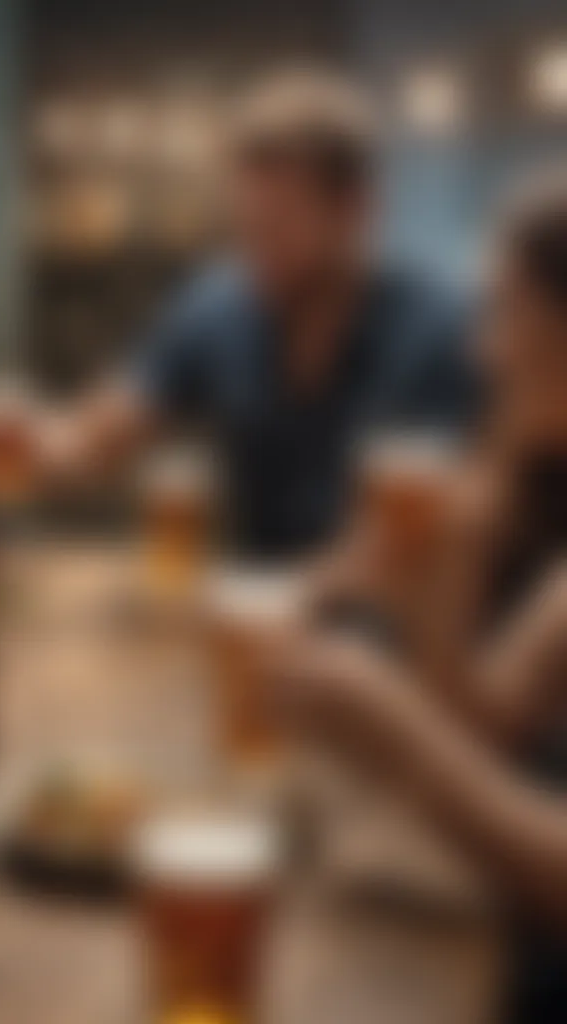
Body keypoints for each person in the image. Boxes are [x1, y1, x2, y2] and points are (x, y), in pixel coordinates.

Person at [276, 169, 567, 1022]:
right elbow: (486, 726)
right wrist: (451, 573)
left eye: (505, 312)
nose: (482, 350)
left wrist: (396, 731)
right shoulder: (535, 487)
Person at [0, 71, 476, 559]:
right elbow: (91, 444)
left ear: (358, 211)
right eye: (246, 226)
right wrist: (7, 437)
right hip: (260, 617)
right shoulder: (220, 308)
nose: (255, 250)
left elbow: (461, 526)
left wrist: (307, 602)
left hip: (392, 631)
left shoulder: (441, 329)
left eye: (277, 224)